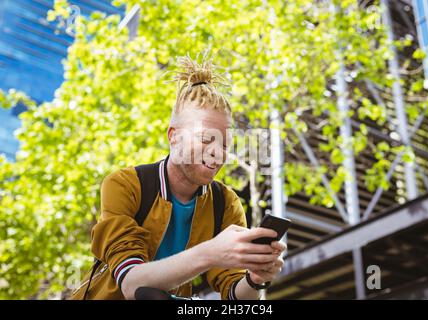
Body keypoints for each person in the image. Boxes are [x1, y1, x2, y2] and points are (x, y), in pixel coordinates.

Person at [71, 53, 286, 300]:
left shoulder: (225, 204)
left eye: (226, 145)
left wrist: (256, 279)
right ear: (173, 135)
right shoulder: (124, 185)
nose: (217, 153)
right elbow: (132, 284)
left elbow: (237, 297)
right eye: (206, 139)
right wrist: (213, 252)